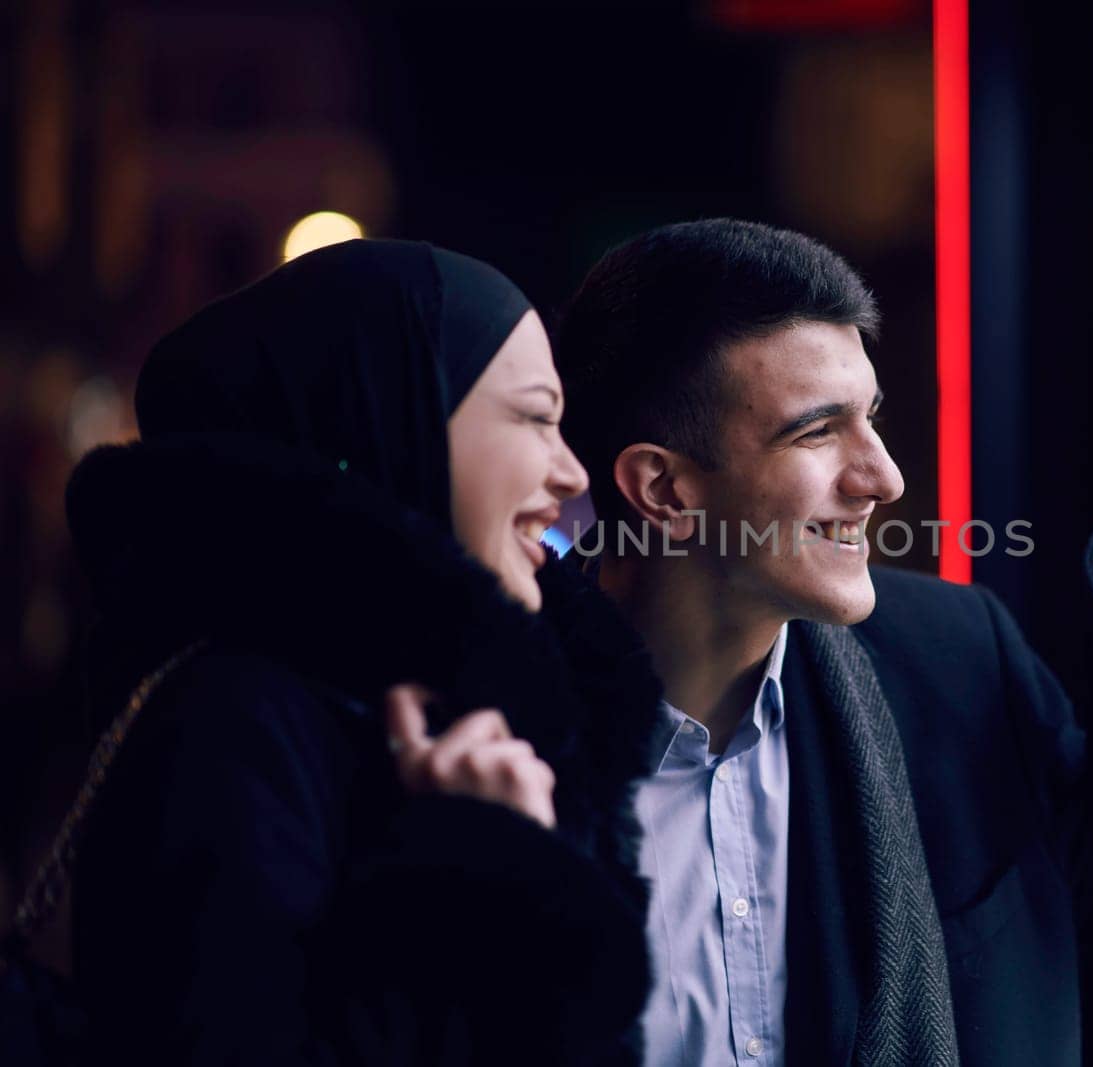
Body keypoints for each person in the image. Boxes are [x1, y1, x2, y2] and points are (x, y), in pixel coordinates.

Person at [553, 218, 1093, 1066]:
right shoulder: (493, 730)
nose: (883, 477)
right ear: (661, 487)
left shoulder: (950, 654)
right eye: (816, 432)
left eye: (869, 417)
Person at [57, 239, 662, 1063]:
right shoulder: (232, 725)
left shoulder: (473, 713)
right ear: (392, 417)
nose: (569, 473)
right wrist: (481, 870)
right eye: (534, 418)